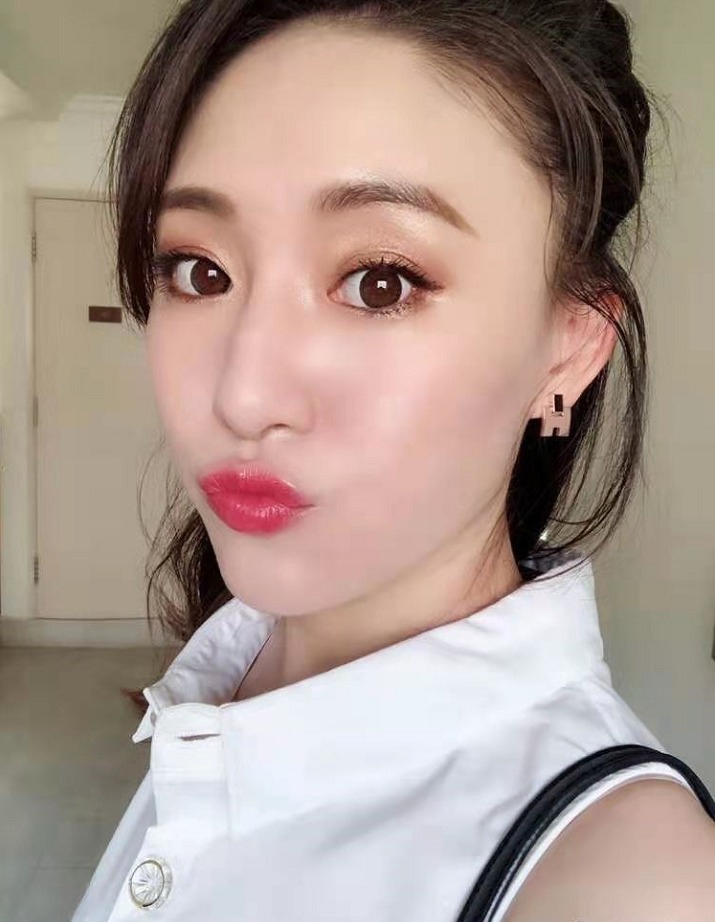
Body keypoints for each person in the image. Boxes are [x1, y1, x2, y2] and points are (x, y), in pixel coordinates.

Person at [71, 1, 715, 920]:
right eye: (199, 270)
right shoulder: (225, 684)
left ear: (569, 346)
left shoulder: (633, 884)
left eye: (381, 283)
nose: (243, 396)